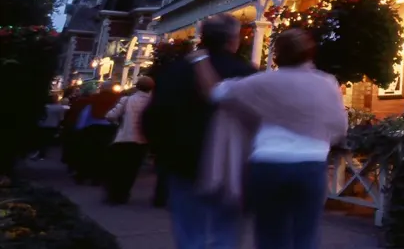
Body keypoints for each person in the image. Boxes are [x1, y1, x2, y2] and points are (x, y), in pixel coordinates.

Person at [188, 28, 348, 249]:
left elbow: (215, 93)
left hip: (268, 164)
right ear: (310, 53)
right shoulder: (327, 83)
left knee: (270, 235)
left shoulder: (261, 82)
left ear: (277, 54)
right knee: (306, 234)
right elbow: (340, 125)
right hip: (311, 163)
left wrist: (201, 59)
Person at [142, 15, 255, 249]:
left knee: (189, 232)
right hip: (230, 164)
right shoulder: (246, 74)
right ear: (234, 40)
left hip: (183, 161)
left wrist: (161, 153)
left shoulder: (176, 71)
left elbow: (153, 116)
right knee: (225, 232)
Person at [104, 76, 154, 204]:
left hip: (124, 139)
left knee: (118, 168)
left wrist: (117, 123)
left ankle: (114, 194)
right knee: (132, 170)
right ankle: (124, 193)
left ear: (137, 86)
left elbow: (110, 115)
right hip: (142, 141)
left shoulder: (127, 100)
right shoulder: (153, 102)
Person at [74, 82, 122, 184]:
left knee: (88, 152)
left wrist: (80, 127)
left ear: (102, 88)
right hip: (109, 128)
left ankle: (82, 175)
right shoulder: (116, 99)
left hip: (92, 127)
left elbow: (86, 113)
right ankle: (97, 178)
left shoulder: (94, 98)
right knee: (103, 153)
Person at [31, 95, 68, 160]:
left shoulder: (44, 107)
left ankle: (40, 153)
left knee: (42, 140)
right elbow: (61, 118)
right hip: (53, 125)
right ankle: (41, 154)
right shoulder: (59, 108)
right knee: (46, 140)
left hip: (43, 125)